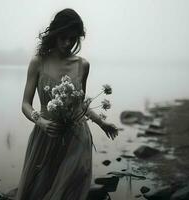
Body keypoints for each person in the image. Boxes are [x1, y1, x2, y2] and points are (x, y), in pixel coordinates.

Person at [15, 8, 119, 200]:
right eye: (63, 37)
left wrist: (102, 124)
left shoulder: (83, 65)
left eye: (73, 38)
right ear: (54, 34)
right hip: (46, 134)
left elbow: (80, 105)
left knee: (68, 190)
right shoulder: (38, 62)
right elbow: (25, 104)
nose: (68, 43)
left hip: (76, 137)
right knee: (37, 190)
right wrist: (41, 122)